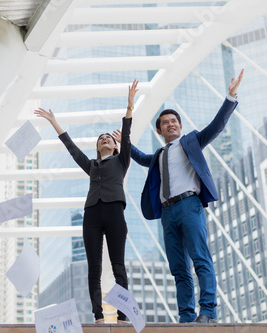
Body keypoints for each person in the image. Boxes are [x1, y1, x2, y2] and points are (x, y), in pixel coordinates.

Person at [113, 70, 243, 323]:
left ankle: (208, 312)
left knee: (200, 259)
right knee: (178, 269)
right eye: (165, 123)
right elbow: (140, 158)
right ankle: (186, 316)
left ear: (180, 126)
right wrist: (124, 142)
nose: (171, 124)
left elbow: (217, 126)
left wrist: (230, 96)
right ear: (159, 131)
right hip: (167, 213)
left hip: (190, 205)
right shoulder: (159, 155)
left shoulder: (192, 141)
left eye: (174, 121)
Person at [34, 79, 139, 324]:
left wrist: (129, 106)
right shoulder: (91, 165)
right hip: (91, 215)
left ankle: (122, 316)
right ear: (96, 147)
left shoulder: (122, 160)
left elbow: (127, 135)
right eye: (100, 138)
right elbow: (71, 148)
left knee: (118, 266)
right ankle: (99, 316)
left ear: (115, 146)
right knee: (94, 267)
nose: (105, 138)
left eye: (108, 138)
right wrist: (54, 122)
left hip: (114, 212)